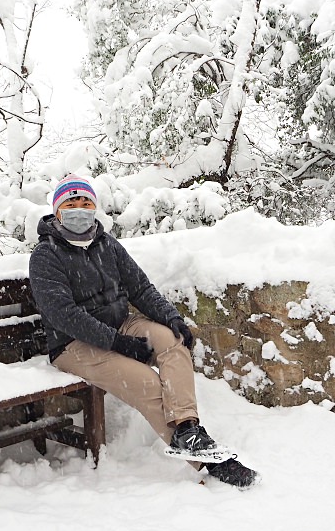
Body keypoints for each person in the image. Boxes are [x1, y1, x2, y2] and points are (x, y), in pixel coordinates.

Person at [28, 175, 260, 488]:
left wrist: (172, 318)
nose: (79, 209)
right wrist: (117, 343)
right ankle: (206, 467)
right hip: (72, 344)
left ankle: (188, 428)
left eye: (85, 203)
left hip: (118, 325)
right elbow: (64, 315)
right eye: (71, 203)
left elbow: (139, 287)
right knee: (148, 383)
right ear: (58, 211)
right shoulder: (46, 255)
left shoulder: (106, 243)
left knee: (170, 339)